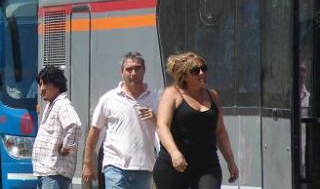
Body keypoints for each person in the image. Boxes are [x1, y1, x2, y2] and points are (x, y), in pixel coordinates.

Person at [153, 52, 239, 189]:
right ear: (184, 75)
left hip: (207, 165)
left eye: (203, 68)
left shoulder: (213, 96)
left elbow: (220, 131)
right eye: (195, 70)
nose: (201, 73)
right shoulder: (172, 94)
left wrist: (231, 161)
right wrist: (174, 152)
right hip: (174, 164)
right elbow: (162, 126)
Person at [82, 52, 159, 189]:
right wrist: (88, 164)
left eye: (137, 68)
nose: (133, 73)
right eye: (129, 69)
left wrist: (154, 118)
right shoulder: (109, 99)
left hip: (143, 168)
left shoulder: (154, 99)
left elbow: (165, 129)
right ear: (121, 72)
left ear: (144, 71)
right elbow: (94, 132)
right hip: (115, 166)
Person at [32, 65, 82, 189]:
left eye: (45, 84)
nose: (41, 89)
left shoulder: (62, 105)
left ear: (57, 85)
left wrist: (66, 147)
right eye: (40, 85)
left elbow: (74, 125)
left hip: (54, 173)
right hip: (47, 172)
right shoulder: (52, 105)